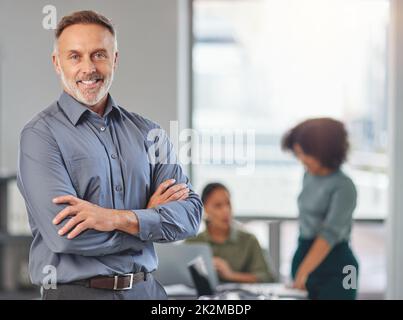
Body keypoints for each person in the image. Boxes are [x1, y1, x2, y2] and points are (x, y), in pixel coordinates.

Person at [16, 10, 202, 300]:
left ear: (115, 59)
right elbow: (65, 235)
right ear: (57, 63)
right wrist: (147, 220)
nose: (88, 68)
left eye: (99, 55)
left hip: (147, 291)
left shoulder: (148, 132)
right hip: (78, 294)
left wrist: (113, 218)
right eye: (75, 56)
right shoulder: (40, 136)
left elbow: (190, 216)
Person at [282, 118, 359, 300]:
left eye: (304, 153)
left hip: (339, 267)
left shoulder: (344, 186)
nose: (301, 159)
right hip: (304, 254)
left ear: (322, 152)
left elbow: (329, 235)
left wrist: (303, 271)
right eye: (298, 153)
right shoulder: (308, 175)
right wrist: (300, 268)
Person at [186, 183, 274, 283]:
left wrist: (231, 275)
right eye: (218, 206)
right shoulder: (192, 243)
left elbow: (267, 278)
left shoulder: (249, 240)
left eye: (228, 204)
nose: (226, 210)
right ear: (204, 209)